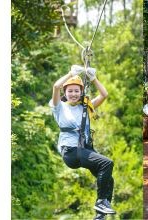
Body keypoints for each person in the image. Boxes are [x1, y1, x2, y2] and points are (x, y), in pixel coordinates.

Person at [49, 65, 116, 220]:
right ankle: (100, 202)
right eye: (70, 91)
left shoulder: (85, 106)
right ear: (65, 93)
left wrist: (93, 78)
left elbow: (104, 95)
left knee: (109, 179)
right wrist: (70, 74)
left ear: (81, 92)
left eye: (76, 91)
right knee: (107, 163)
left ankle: (101, 215)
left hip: (83, 149)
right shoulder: (59, 106)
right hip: (71, 151)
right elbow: (56, 86)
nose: (73, 94)